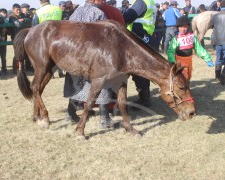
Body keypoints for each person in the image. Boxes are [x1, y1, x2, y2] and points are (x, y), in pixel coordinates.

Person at [64, 0, 118, 129]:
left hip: (74, 55)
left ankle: (70, 114)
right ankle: (104, 119)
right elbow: (105, 38)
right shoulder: (99, 13)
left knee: (78, 84)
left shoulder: (76, 12)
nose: (103, 1)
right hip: (93, 56)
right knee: (103, 84)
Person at [123, 0, 157, 108]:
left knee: (138, 71)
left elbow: (127, 17)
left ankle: (144, 99)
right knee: (143, 70)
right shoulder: (150, 2)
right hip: (146, 37)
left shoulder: (141, 2)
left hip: (138, 37)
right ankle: (145, 98)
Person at [167, 16, 214, 81]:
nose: (183, 29)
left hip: (189, 59)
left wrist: (207, 59)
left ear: (188, 27)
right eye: (181, 27)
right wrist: (172, 62)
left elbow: (199, 48)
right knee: (182, 77)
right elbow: (170, 51)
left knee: (188, 76)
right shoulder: (176, 39)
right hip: (179, 60)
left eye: (185, 27)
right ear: (178, 28)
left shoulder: (192, 37)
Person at [9, 3, 32, 73]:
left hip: (24, 37)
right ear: (13, 10)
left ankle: (28, 68)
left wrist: (24, 20)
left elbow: (30, 21)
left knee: (27, 52)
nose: (18, 11)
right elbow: (18, 24)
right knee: (17, 53)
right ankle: (15, 69)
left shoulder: (23, 15)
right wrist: (23, 21)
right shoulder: (11, 17)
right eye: (17, 10)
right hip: (16, 37)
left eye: (19, 9)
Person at [0, 8, 8, 74]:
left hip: (3, 40)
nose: (4, 14)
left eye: (5, 13)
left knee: (3, 56)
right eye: (3, 13)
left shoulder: (6, 21)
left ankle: (4, 69)